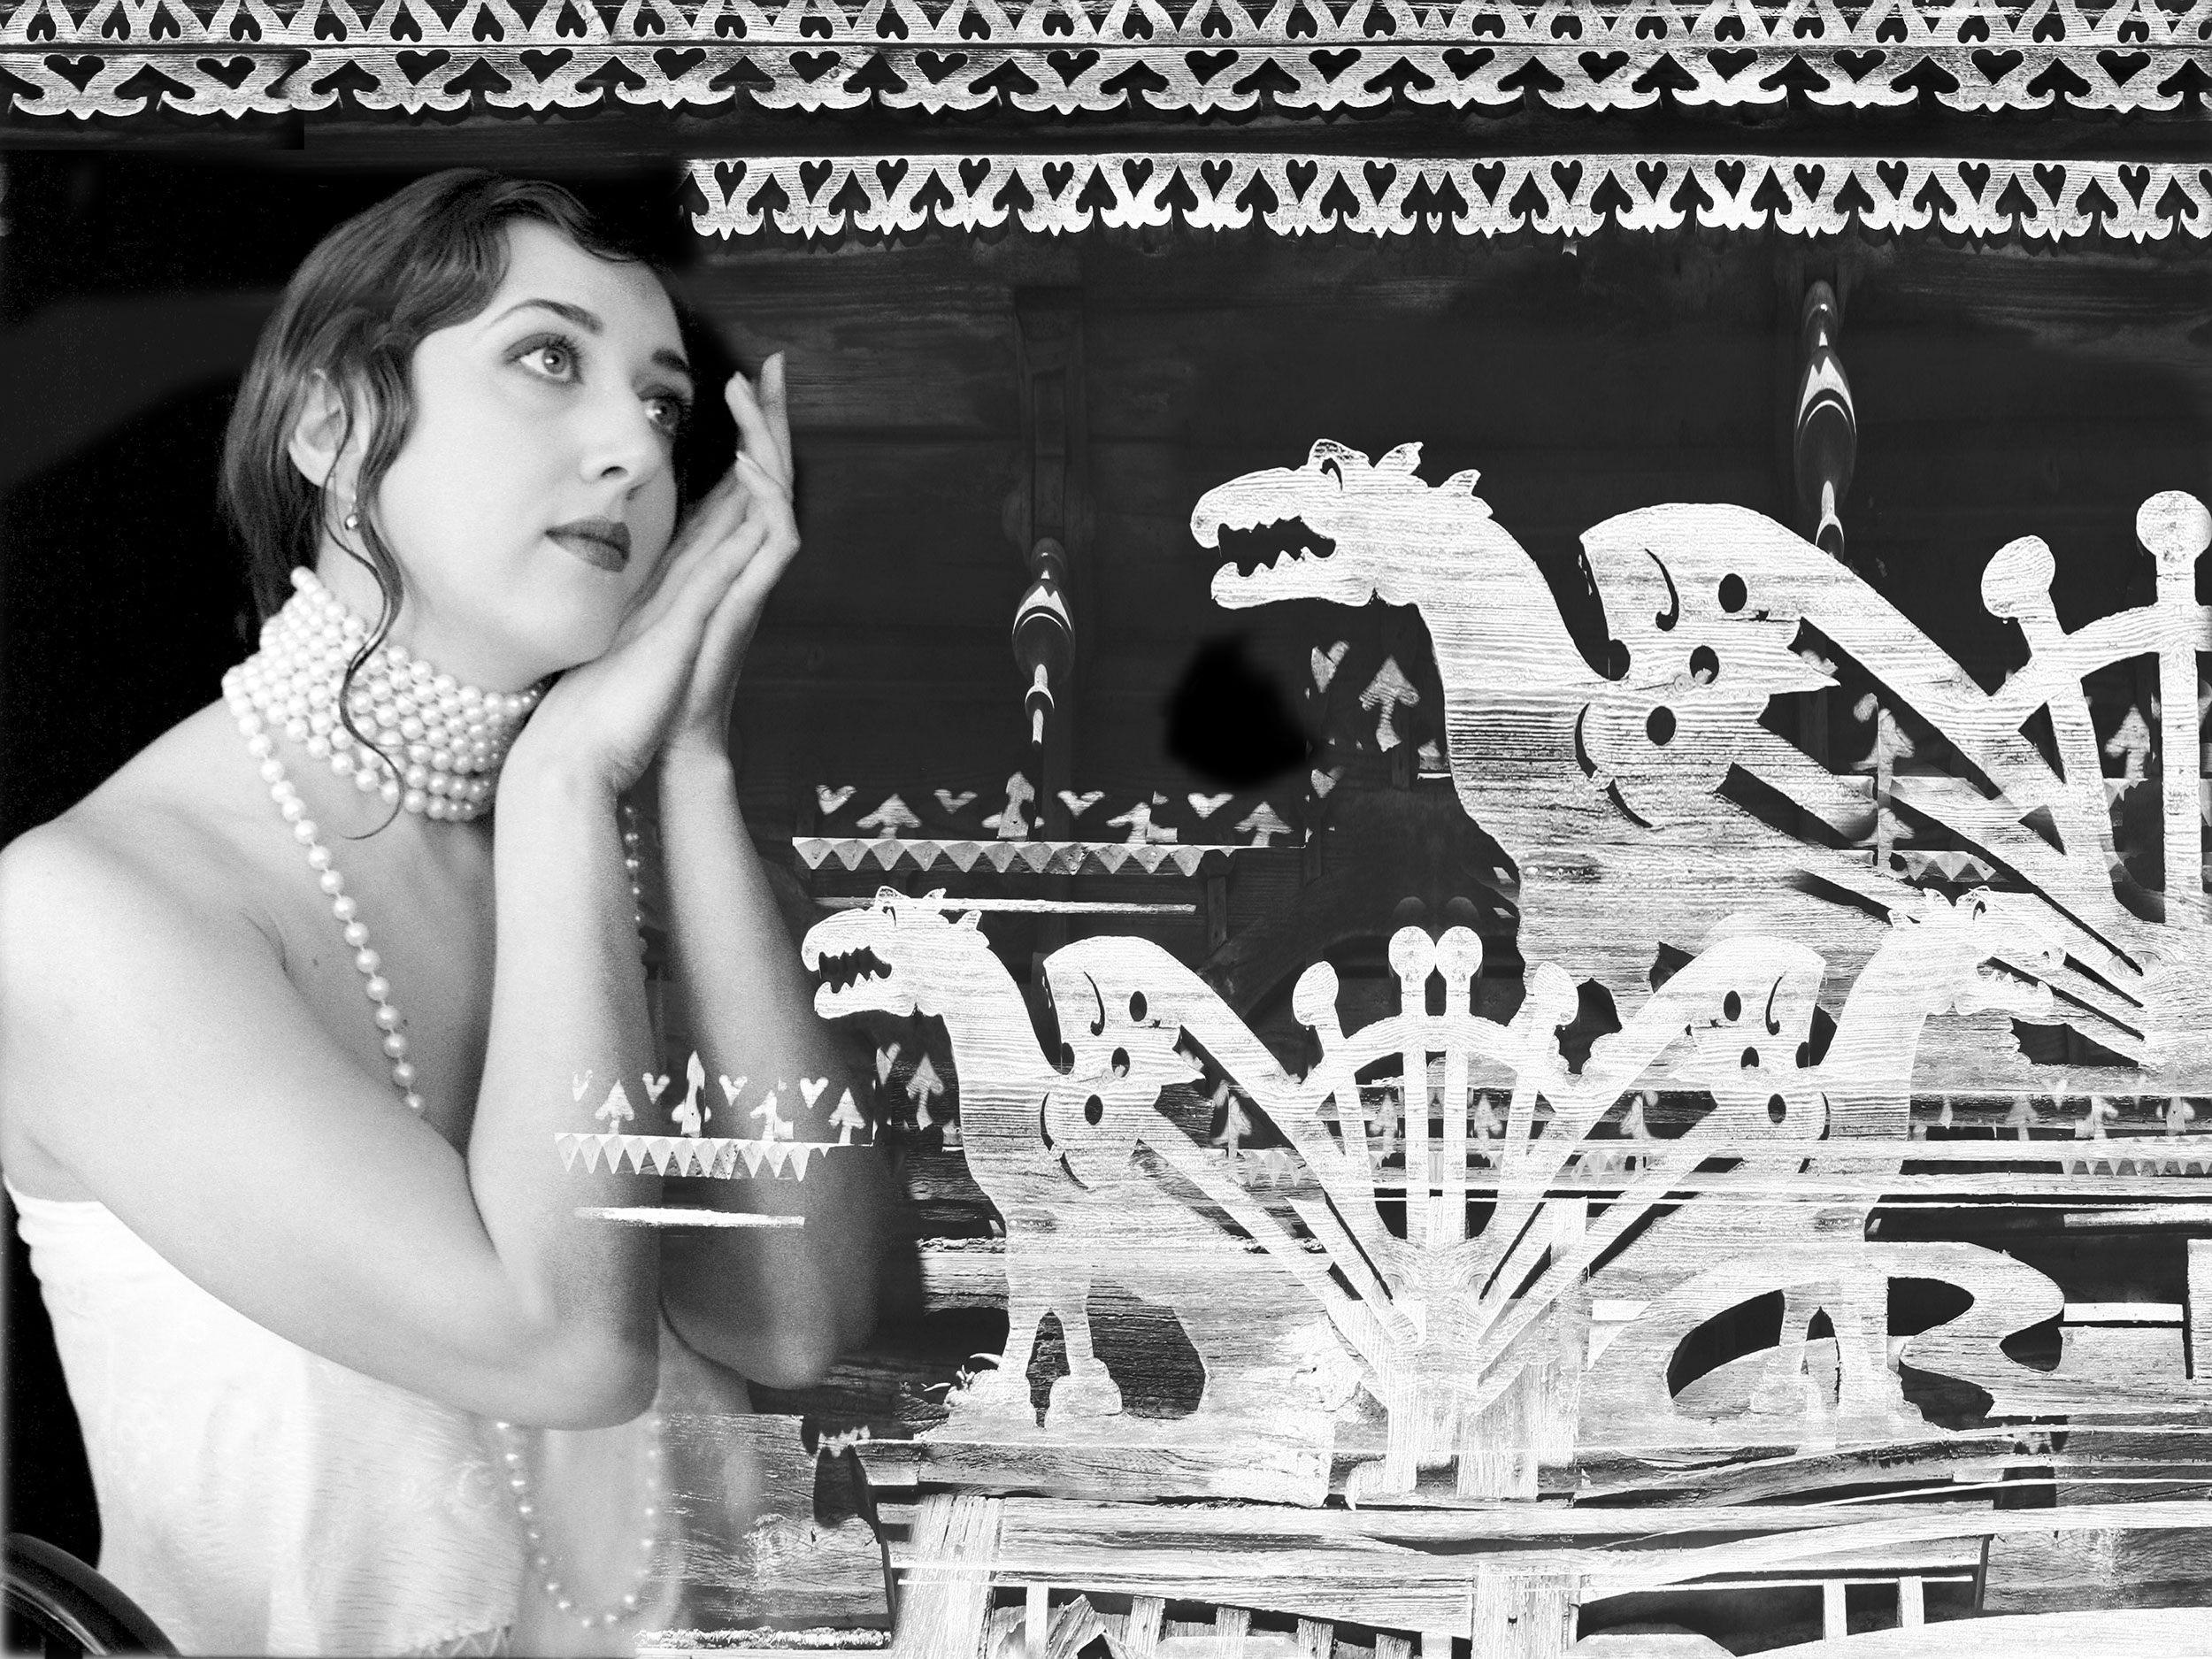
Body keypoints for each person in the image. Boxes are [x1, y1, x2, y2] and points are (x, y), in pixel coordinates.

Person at [0, 169, 888, 1656]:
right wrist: (563, 783)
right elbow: (564, 1350)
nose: (633, 447)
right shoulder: (82, 911)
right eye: (547, 358)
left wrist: (689, 761)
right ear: (332, 425)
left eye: (665, 405)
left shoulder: (633, 837)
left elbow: (793, 1319)